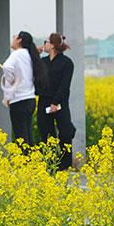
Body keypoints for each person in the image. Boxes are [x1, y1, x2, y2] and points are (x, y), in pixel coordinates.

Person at [37, 33, 76, 171]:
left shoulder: (66, 63)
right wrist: (35, 54)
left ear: (52, 45)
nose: (44, 44)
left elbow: (64, 85)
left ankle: (65, 163)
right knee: (47, 134)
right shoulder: (43, 62)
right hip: (43, 101)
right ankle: (51, 162)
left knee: (65, 132)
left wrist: (55, 102)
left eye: (46, 42)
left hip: (60, 103)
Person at [1, 31, 48, 147]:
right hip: (30, 99)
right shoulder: (29, 54)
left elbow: (6, 67)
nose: (13, 40)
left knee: (21, 137)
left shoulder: (18, 53)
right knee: (27, 134)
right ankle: (31, 162)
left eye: (15, 37)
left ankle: (25, 162)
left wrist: (11, 80)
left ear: (19, 40)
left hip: (19, 100)